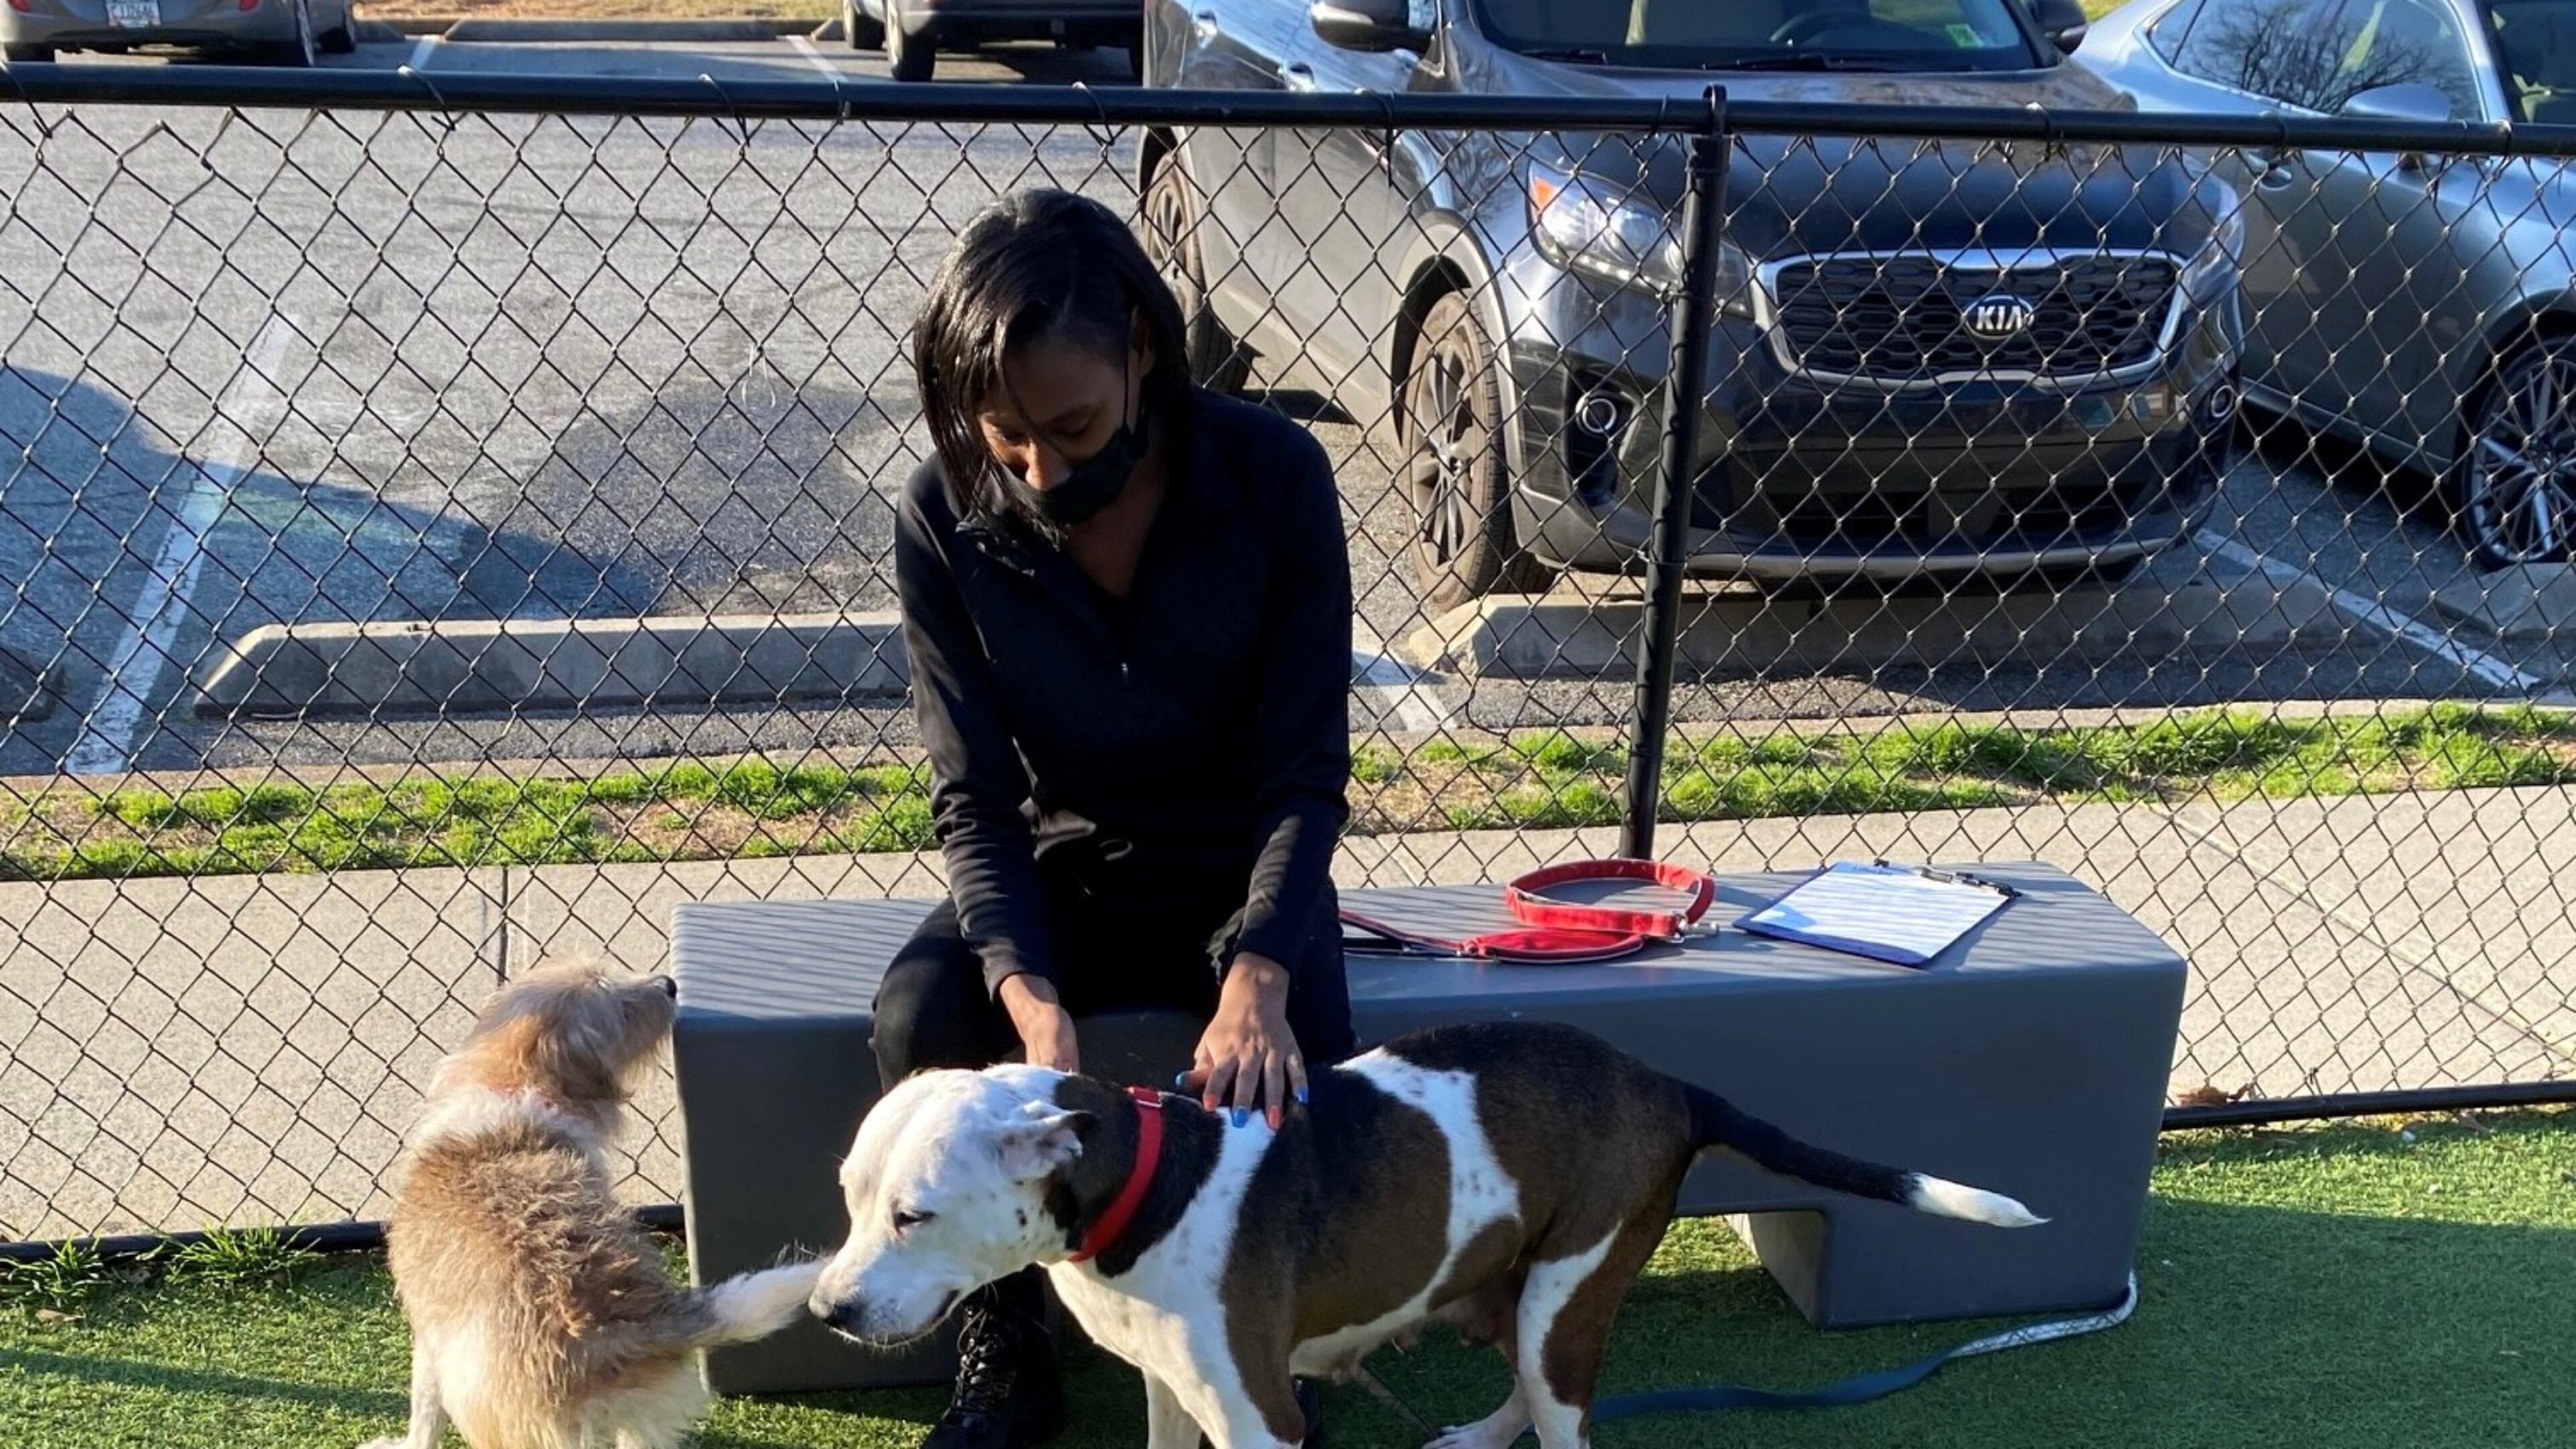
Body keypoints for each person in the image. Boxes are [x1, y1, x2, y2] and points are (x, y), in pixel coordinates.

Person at [875, 186, 1359, 1449]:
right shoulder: (941, 514)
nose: (1045, 471)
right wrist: (1028, 998)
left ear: (1144, 348)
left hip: (1239, 865)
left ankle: (1275, 1332)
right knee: (920, 1012)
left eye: (1076, 427)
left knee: (1304, 1047)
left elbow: (1309, 776)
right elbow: (973, 799)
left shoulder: (1275, 475)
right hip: (1068, 860)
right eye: (1009, 438)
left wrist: (1260, 976)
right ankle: (1008, 1346)